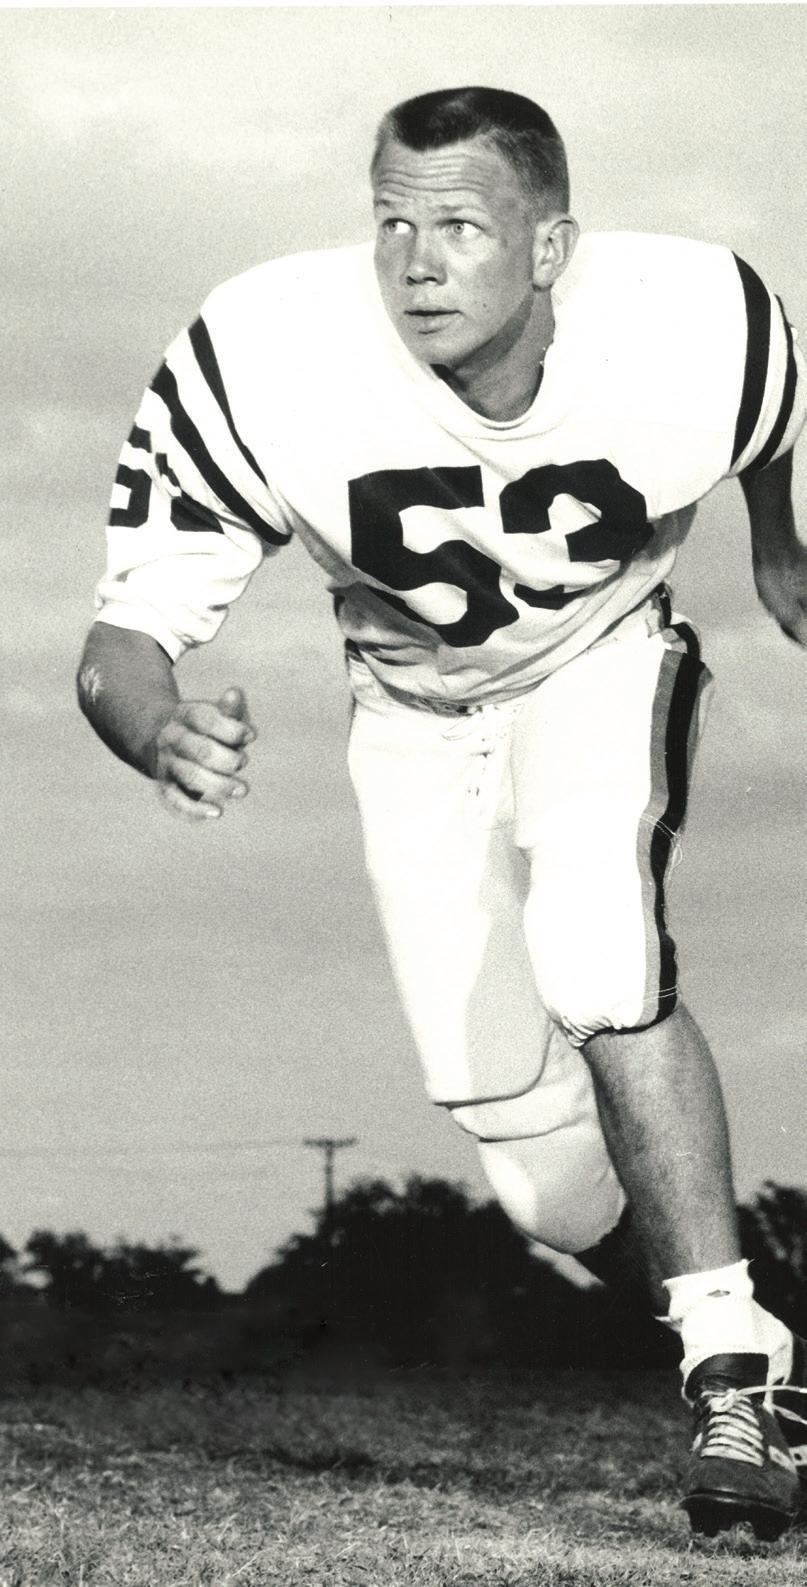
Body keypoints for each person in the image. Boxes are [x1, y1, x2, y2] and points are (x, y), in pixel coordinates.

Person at [77, 87, 807, 1539]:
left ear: (552, 249)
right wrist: (156, 728)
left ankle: (735, 1380)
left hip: (601, 653)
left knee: (597, 950)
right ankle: (772, 1342)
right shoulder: (266, 351)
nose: (415, 263)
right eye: (392, 223)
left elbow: (776, 412)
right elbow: (119, 642)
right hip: (410, 713)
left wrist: (780, 547)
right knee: (542, 1183)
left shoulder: (690, 323)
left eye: (461, 226)